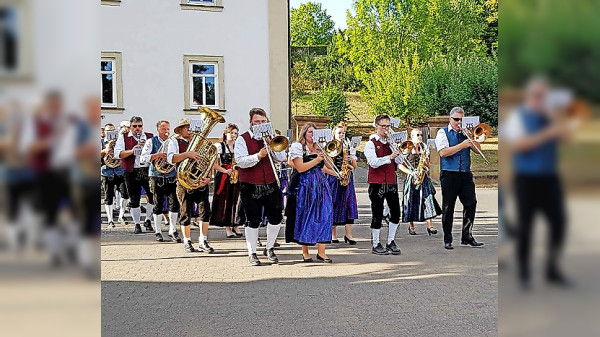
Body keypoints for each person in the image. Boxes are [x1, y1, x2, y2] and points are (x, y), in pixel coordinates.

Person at [503, 77, 571, 289]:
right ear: (530, 97)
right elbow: (521, 145)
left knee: (559, 222)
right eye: (538, 96)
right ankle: (524, 273)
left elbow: (567, 138)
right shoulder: (518, 117)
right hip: (526, 179)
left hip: (550, 177)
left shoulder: (550, 117)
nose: (542, 100)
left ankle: (552, 268)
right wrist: (547, 133)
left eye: (545, 96)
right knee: (526, 225)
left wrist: (557, 124)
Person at [234, 108, 286, 266]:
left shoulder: (271, 138)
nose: (260, 124)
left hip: (270, 183)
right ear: (251, 122)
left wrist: (273, 144)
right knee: (252, 220)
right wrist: (258, 156)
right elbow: (240, 161)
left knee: (276, 217)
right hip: (249, 185)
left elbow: (281, 158)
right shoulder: (242, 139)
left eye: (263, 122)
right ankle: (252, 252)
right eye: (257, 122)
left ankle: (269, 248)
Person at [435, 107, 484, 250]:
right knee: (448, 207)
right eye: (456, 119)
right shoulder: (442, 133)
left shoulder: (466, 133)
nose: (459, 122)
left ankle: (467, 236)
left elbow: (478, 151)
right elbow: (443, 152)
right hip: (449, 174)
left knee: (471, 203)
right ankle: (448, 238)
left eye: (461, 119)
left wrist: (471, 138)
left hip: (465, 174)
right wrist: (462, 145)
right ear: (450, 119)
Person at [285, 122, 334, 262]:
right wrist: (317, 159)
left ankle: (321, 252)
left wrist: (326, 154)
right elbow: (300, 168)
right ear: (304, 133)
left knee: (326, 214)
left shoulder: (320, 147)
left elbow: (327, 166)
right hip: (305, 185)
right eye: (310, 132)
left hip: (321, 184)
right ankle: (305, 252)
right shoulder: (298, 147)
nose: (312, 135)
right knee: (306, 215)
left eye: (314, 132)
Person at [167, 118, 212, 253]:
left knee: (205, 212)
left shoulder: (202, 143)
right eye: (186, 127)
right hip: (183, 182)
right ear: (180, 130)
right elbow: (171, 158)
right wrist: (188, 154)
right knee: (186, 213)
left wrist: (208, 177)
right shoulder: (174, 142)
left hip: (200, 181)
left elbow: (209, 160)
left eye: (190, 127)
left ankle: (203, 240)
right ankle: (187, 241)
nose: (189, 129)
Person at [364, 115, 402, 255]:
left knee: (396, 212)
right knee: (377, 213)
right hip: (376, 183)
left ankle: (391, 241)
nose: (386, 129)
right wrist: (389, 157)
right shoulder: (371, 143)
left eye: (388, 126)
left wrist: (398, 150)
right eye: (383, 126)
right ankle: (376, 243)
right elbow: (373, 162)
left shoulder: (391, 143)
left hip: (391, 181)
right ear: (377, 126)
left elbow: (400, 160)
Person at [140, 120, 181, 242]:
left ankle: (172, 230)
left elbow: (177, 157)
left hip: (171, 175)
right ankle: (158, 231)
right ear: (158, 129)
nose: (167, 131)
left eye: (168, 128)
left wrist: (178, 172)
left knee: (174, 204)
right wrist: (156, 155)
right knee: (157, 204)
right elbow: (143, 158)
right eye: (164, 129)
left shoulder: (174, 142)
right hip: (156, 176)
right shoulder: (151, 141)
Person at [114, 116, 155, 235]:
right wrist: (132, 151)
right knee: (134, 199)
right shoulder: (124, 137)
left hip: (146, 169)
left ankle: (148, 220)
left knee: (152, 197)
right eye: (135, 126)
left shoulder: (149, 137)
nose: (138, 129)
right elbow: (118, 154)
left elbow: (155, 152)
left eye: (140, 126)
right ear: (130, 127)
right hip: (131, 171)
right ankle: (137, 224)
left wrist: (145, 148)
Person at [398, 128, 441, 235]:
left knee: (428, 198)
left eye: (421, 135)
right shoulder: (407, 147)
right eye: (417, 135)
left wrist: (426, 165)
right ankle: (411, 226)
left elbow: (428, 164)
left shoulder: (423, 147)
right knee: (410, 200)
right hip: (412, 177)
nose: (420, 137)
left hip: (423, 177)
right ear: (412, 137)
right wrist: (411, 173)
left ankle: (430, 226)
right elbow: (400, 165)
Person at [325, 122, 358, 245]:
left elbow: (354, 166)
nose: (342, 135)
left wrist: (351, 160)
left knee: (349, 205)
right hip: (334, 178)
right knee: (334, 203)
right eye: (339, 133)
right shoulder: (331, 145)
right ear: (334, 134)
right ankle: (333, 234)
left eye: (343, 133)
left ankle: (348, 234)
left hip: (347, 177)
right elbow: (327, 164)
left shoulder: (348, 146)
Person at [210, 123, 242, 238]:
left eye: (235, 133)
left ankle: (235, 224)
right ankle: (227, 227)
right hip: (225, 175)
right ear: (226, 133)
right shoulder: (219, 146)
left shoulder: (239, 146)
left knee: (236, 200)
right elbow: (213, 164)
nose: (233, 135)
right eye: (231, 133)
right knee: (226, 201)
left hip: (236, 175)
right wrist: (225, 171)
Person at [101, 123, 128, 228]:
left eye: (112, 130)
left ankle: (121, 216)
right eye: (108, 131)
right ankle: (110, 220)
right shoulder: (100, 142)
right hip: (106, 171)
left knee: (125, 194)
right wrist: (105, 151)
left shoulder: (120, 142)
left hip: (120, 170)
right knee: (108, 197)